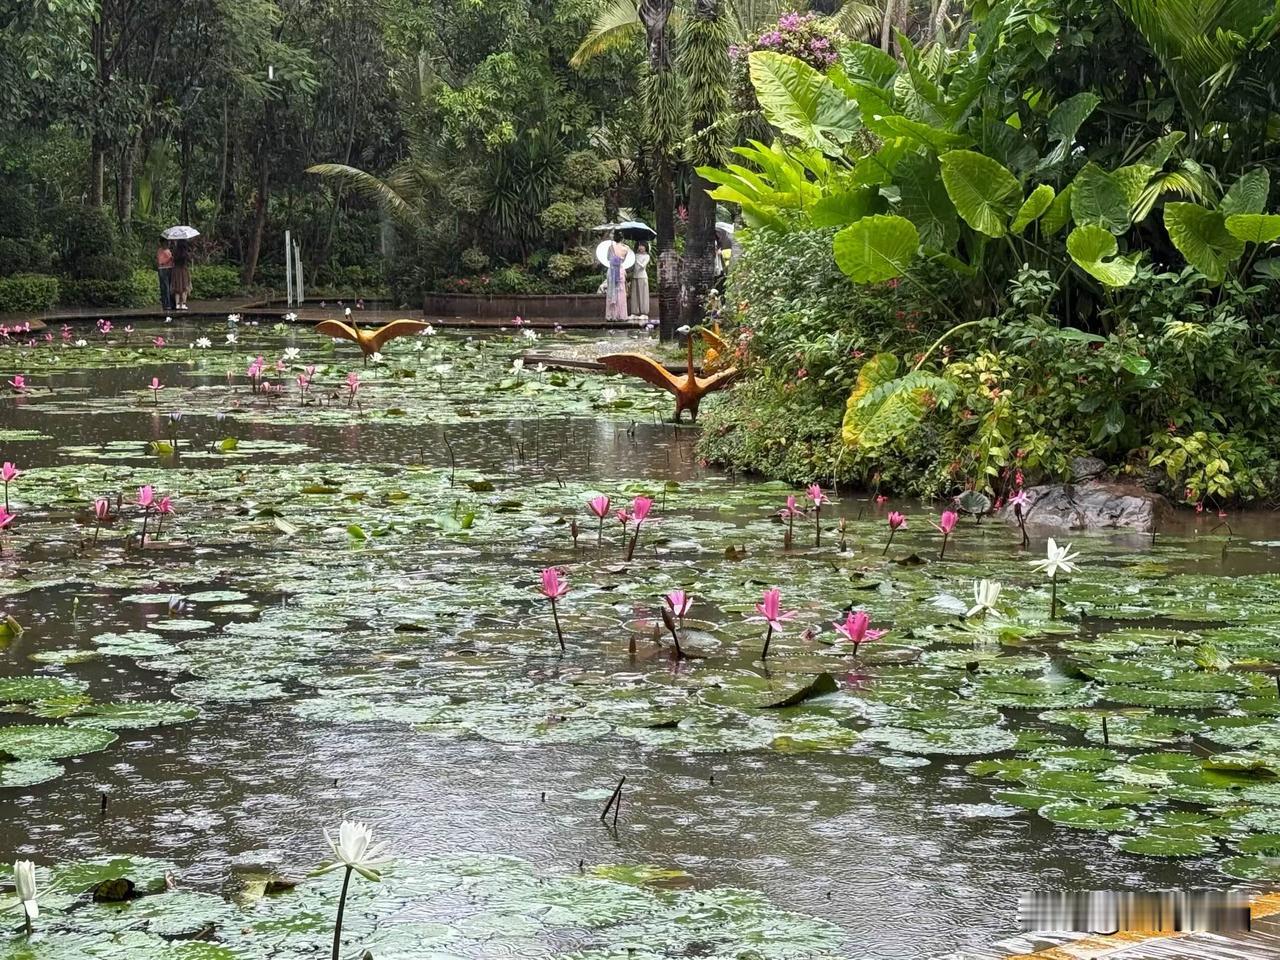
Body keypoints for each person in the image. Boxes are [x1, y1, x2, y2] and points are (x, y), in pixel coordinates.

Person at [604, 231, 631, 321]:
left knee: (611, 292)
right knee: (621, 292)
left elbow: (608, 258)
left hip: (612, 270)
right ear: (622, 239)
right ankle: (621, 315)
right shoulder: (626, 248)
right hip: (620, 270)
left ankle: (611, 315)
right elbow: (623, 260)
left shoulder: (611, 247)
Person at [629, 241, 651, 319]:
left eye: (642, 246)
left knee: (643, 295)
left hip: (643, 277)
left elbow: (643, 266)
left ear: (645, 247)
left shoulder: (647, 256)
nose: (640, 247)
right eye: (639, 246)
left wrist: (636, 260)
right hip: (635, 276)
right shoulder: (635, 255)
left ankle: (644, 313)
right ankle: (634, 312)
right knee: (635, 295)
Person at [171, 240, 192, 310]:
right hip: (184, 270)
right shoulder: (185, 253)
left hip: (176, 271)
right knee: (184, 288)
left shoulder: (175, 252)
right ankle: (183, 304)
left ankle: (177, 304)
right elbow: (189, 260)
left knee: (177, 288)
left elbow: (173, 260)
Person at [156, 241, 174, 310]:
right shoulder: (160, 251)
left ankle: (171, 303)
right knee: (165, 287)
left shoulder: (168, 250)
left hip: (169, 269)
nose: (168, 244)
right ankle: (167, 304)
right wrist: (169, 259)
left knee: (170, 287)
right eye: (167, 243)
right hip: (163, 270)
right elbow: (160, 262)